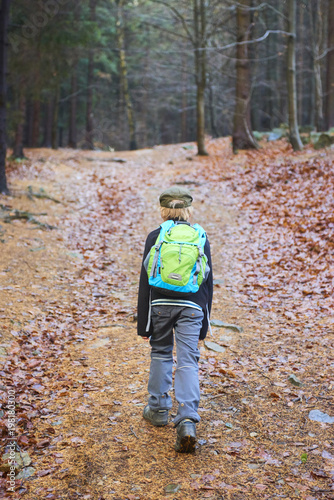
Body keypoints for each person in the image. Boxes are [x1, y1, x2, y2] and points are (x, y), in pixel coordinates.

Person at [137, 186, 213, 453]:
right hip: (192, 306)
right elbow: (207, 284)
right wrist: (204, 324)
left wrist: (143, 324)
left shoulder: (155, 236)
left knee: (160, 353)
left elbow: (145, 282)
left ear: (163, 209)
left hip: (160, 305)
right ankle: (188, 419)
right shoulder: (200, 237)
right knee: (188, 359)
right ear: (188, 210)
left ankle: (157, 409)